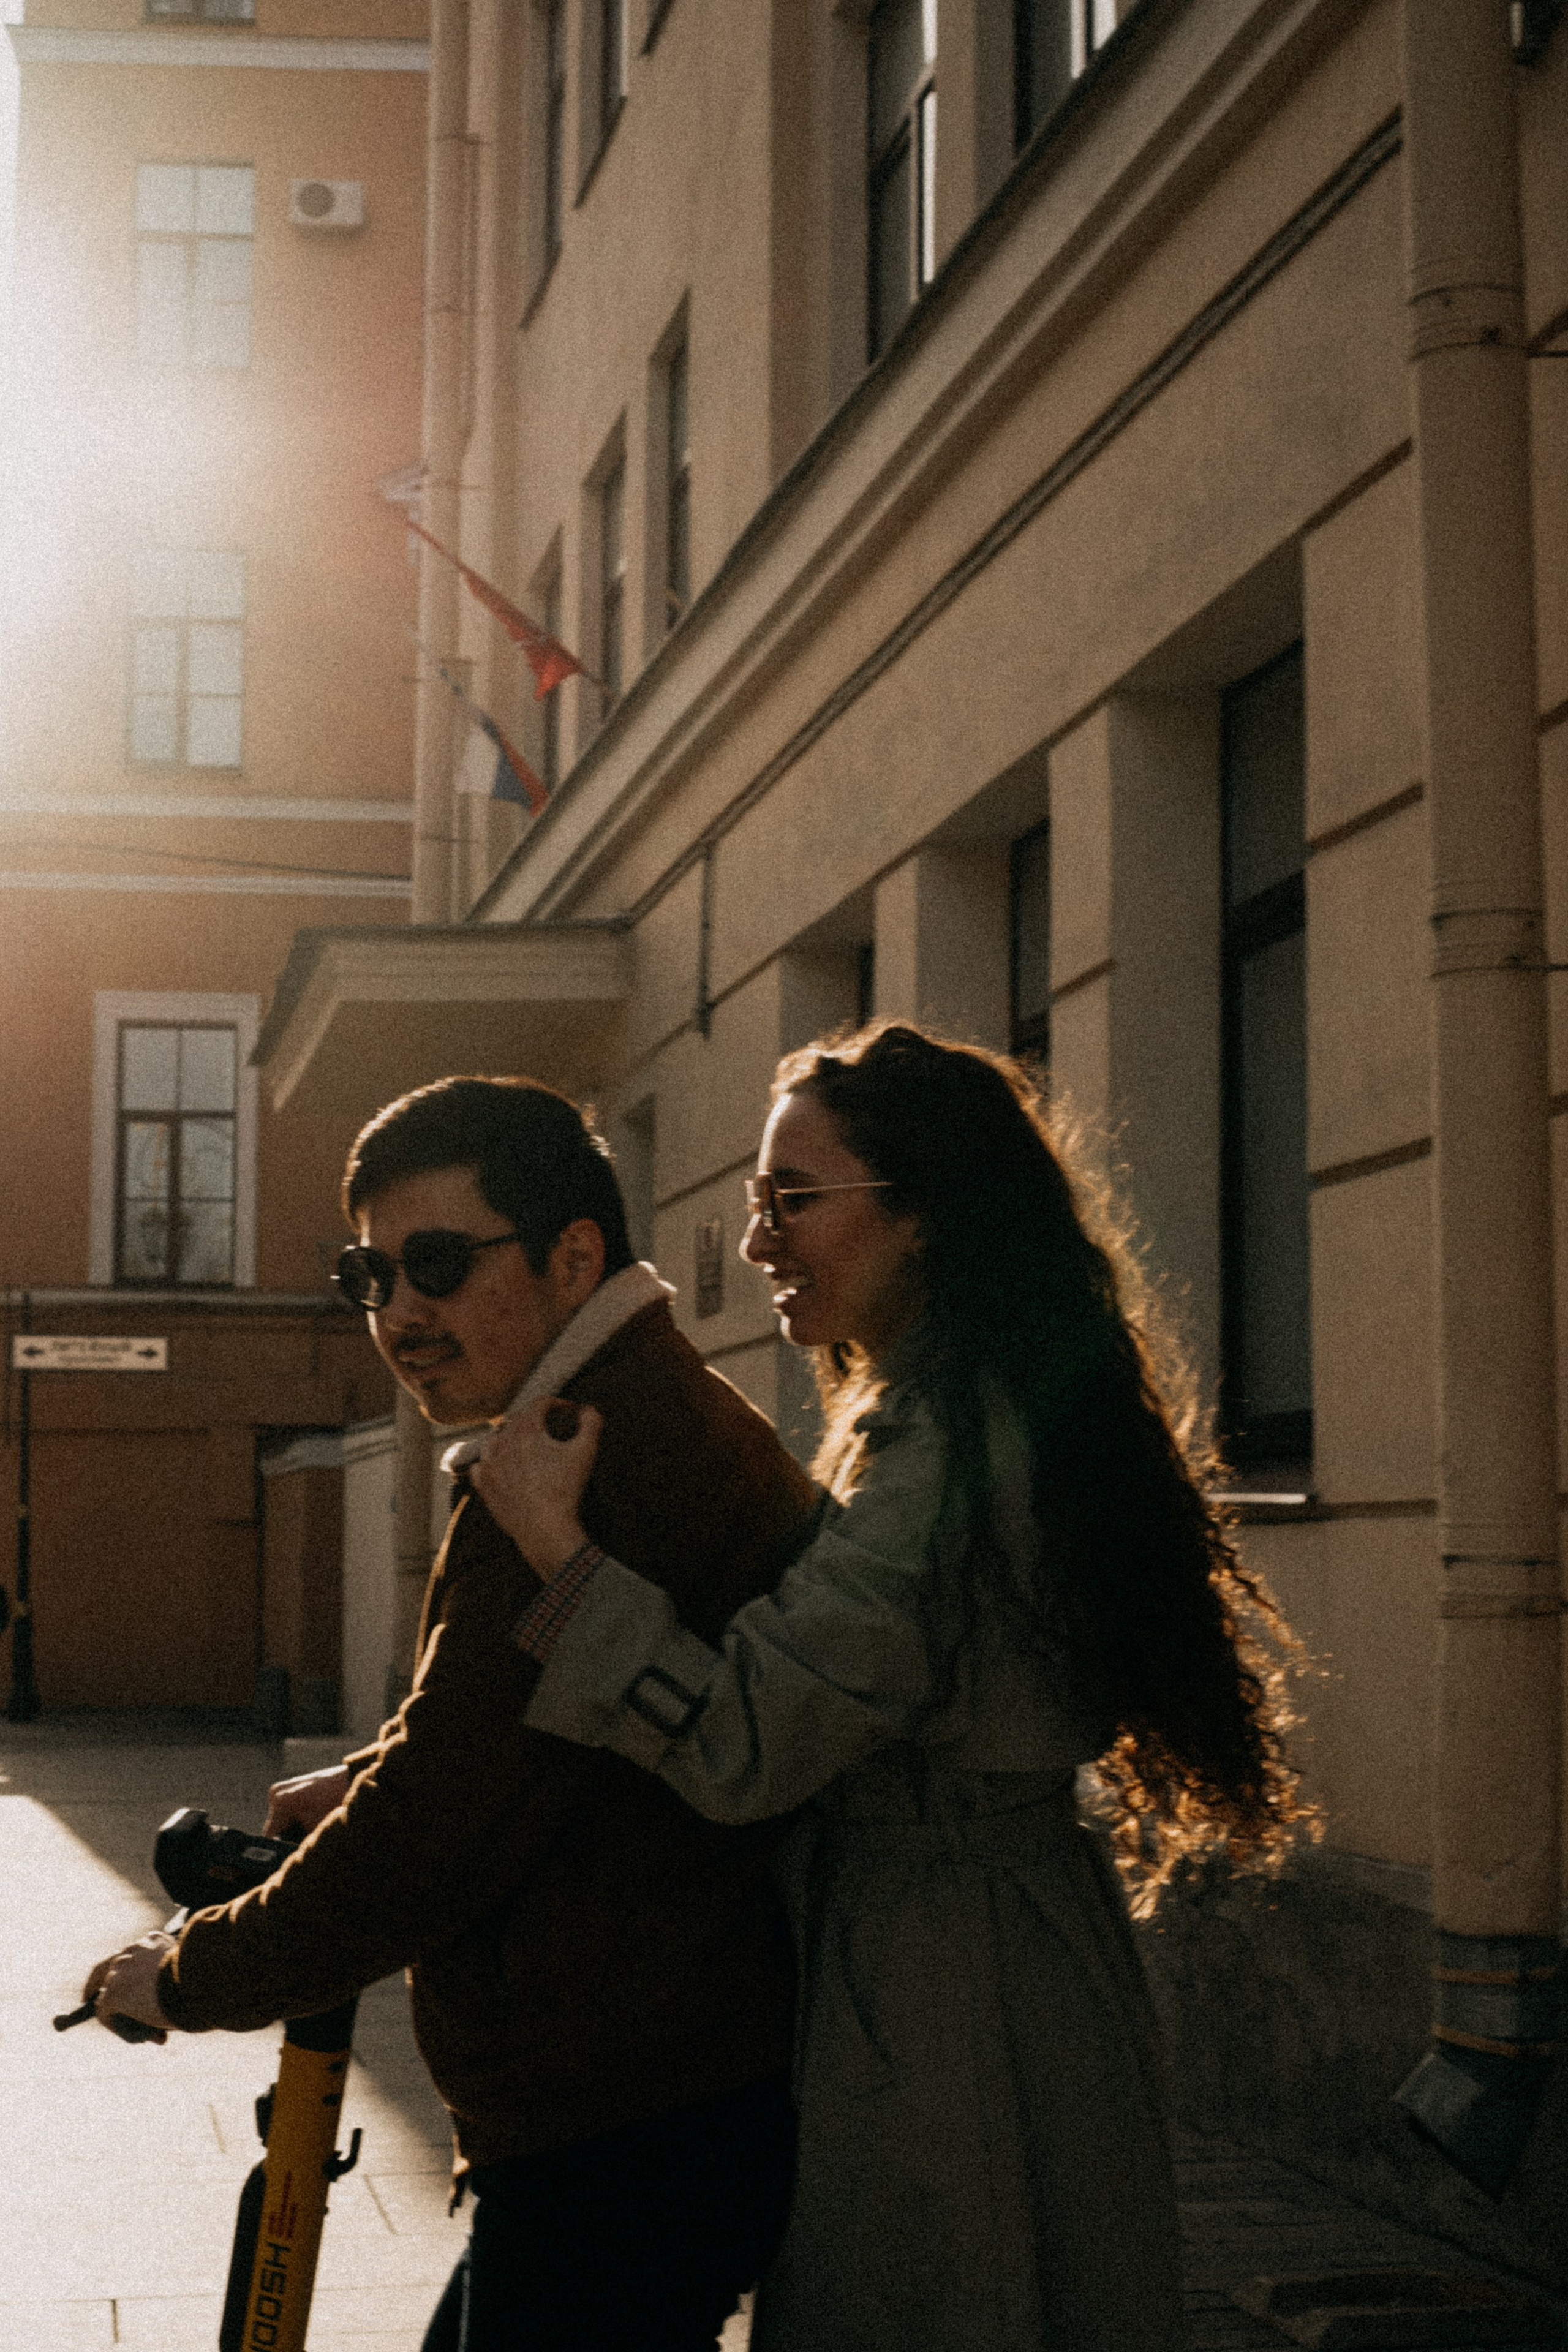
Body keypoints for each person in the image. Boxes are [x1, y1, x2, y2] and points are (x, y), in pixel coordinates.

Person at [473, 1023, 1315, 2352]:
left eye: (791, 1200)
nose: (758, 1243)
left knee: (935, 2297)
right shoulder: (973, 1396)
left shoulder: (937, 1441)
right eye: (756, 1202)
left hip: (936, 1992)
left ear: (921, 1214)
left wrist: (555, 1549)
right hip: (996, 1951)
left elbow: (746, 1740)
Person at [83, 1074, 822, 2352]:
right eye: (370, 1276)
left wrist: (189, 1975)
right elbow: (523, 1727)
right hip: (635, 2106)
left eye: (435, 1263)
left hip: (621, 2127)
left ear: (571, 1254)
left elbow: (433, 1834)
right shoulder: (631, 1404)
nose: (401, 1315)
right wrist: (370, 1768)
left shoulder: (584, 1447)